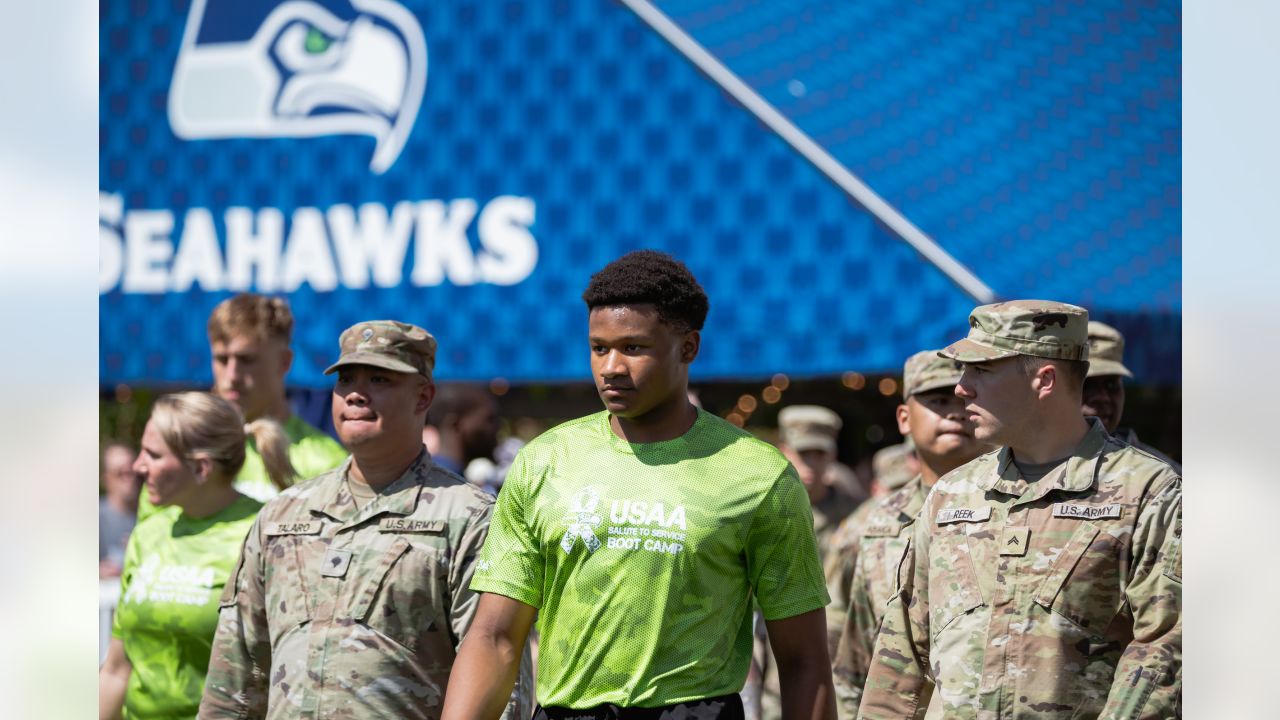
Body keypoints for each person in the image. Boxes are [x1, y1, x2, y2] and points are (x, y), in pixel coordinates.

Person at [442, 250, 835, 720]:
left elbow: (803, 660)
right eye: (598, 347)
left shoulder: (758, 475)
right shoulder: (545, 462)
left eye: (633, 348)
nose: (610, 367)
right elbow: (495, 636)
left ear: (688, 348)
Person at [857, 301, 1182, 719]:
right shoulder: (952, 494)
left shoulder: (1149, 493)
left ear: (1044, 380)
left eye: (982, 370)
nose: (961, 388)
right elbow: (901, 654)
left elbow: (1165, 651)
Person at [199, 320, 530, 720]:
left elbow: (499, 673)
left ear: (423, 396)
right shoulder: (282, 515)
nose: (355, 394)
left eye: (379, 379)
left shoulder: (469, 518)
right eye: (346, 379)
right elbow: (236, 671)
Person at [99, 392, 290, 720]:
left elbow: (284, 673)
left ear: (201, 468)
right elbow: (117, 669)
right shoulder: (149, 533)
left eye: (153, 455)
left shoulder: (264, 534)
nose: (137, 465)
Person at [832, 351, 986, 718]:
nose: (955, 412)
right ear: (904, 418)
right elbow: (850, 650)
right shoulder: (874, 523)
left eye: (965, 400)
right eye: (938, 400)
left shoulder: (1019, 508)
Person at [207, 292, 348, 501]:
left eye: (246, 360)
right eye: (222, 359)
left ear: (284, 362)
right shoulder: (188, 449)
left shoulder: (325, 462)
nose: (232, 376)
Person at [1081, 320, 1181, 472]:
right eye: (1087, 385)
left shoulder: (1161, 474)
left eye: (1111, 384)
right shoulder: (1037, 465)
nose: (1102, 397)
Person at [428, 383, 501, 491]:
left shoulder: (458, 480)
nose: (497, 428)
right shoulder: (440, 485)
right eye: (489, 420)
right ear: (456, 424)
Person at [100, 442, 142, 578]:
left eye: (132, 471)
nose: (129, 478)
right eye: (120, 473)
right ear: (106, 478)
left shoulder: (152, 517)